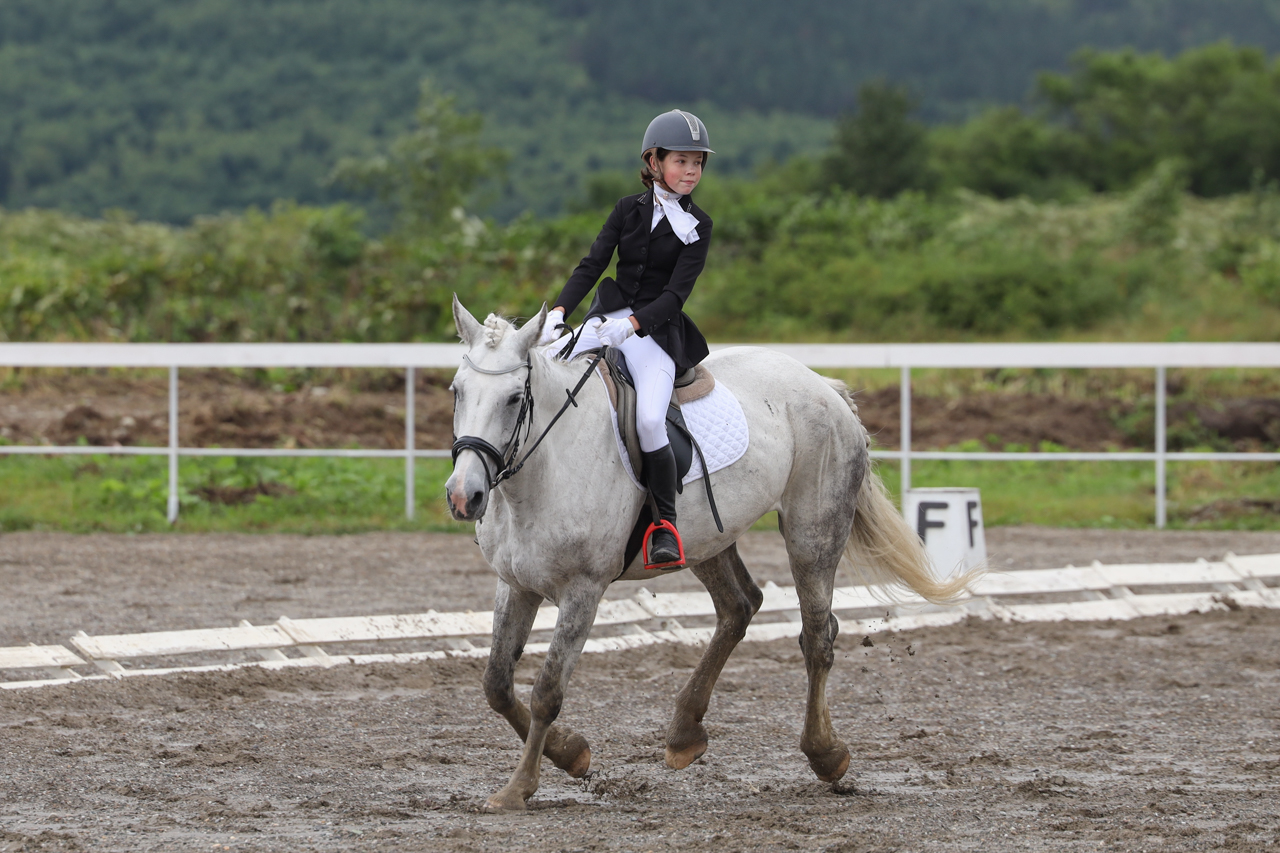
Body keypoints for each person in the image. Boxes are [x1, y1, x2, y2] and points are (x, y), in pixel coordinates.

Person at [538, 109, 714, 570]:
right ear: (654, 161)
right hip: (605, 317)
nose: (691, 171)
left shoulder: (700, 227)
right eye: (682, 161)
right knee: (542, 370)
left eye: (697, 163)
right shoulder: (626, 210)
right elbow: (592, 264)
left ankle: (664, 525)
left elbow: (676, 295)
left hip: (654, 335)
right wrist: (559, 313)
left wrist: (633, 326)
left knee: (652, 421)